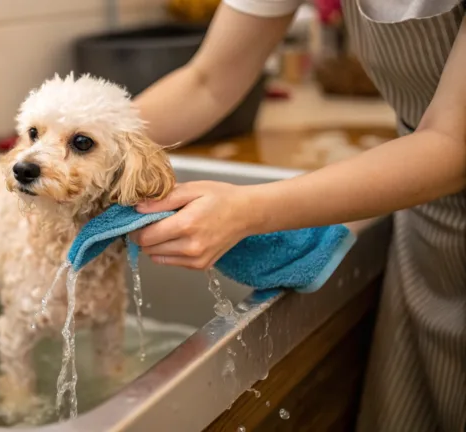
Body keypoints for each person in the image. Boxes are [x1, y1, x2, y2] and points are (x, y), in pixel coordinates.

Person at [128, 1, 466, 431]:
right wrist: (86, 145)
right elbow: (207, 80)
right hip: (428, 213)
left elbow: (452, 144)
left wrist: (247, 210)